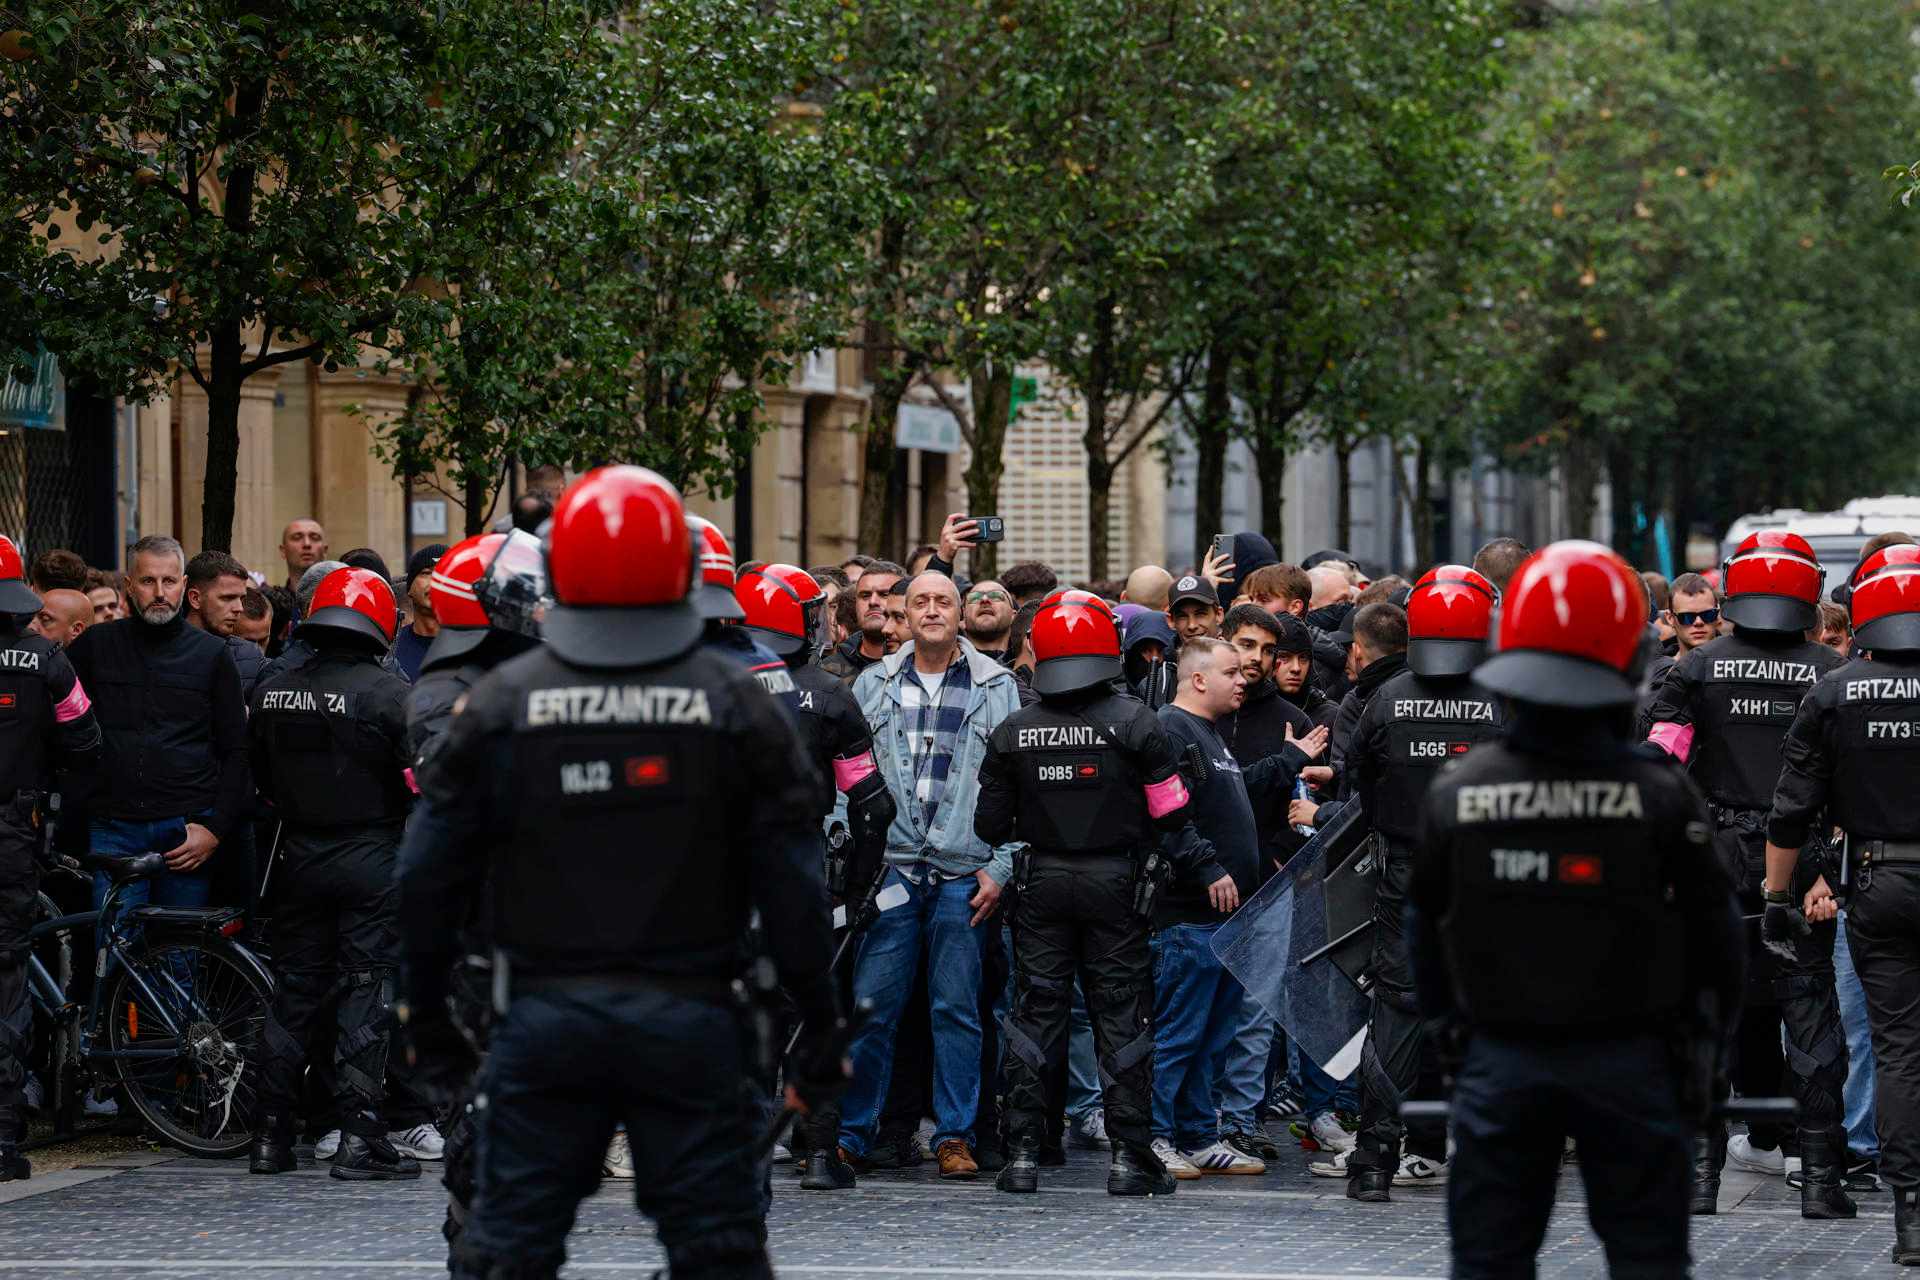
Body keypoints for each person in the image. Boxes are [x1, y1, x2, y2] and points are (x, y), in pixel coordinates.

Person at [396, 466, 841, 1280]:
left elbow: (426, 880)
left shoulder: (499, 705)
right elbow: (793, 886)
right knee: (717, 1253)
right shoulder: (737, 702)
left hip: (541, 1019)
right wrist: (817, 1020)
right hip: (692, 1021)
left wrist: (427, 1020)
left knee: (507, 1250)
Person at [1410, 540, 1743, 1280]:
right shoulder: (1660, 794)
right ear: (1629, 661)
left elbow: (1422, 934)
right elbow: (1717, 936)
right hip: (1633, 1059)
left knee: (1490, 1262)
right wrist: (1700, 1055)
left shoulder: (1460, 791)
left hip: (1503, 1057)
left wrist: (1455, 1041)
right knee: (1648, 1260)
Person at [1644, 530, 1849, 1217]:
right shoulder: (1829, 670)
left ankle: (1701, 1180)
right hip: (1805, 861)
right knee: (1812, 1019)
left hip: (1712, 860)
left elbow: (1660, 766)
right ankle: (1820, 1181)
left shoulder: (1696, 670)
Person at [975, 591, 1197, 1197]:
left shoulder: (1013, 729)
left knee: (1034, 1015)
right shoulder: (1137, 723)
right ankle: (1129, 1157)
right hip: (1118, 884)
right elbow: (1172, 813)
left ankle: (1021, 1154)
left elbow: (989, 827)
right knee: (1121, 1015)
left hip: (1041, 882)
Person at [836, 571, 1023, 1180]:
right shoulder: (872, 684)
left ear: (961, 612)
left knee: (956, 1011)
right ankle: (852, 1132)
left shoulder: (998, 686)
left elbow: (1016, 786)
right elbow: (849, 779)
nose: (934, 611)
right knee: (872, 1008)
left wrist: (1000, 864)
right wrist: (852, 866)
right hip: (891, 870)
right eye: (921, 602)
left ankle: (954, 1135)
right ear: (903, 615)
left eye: (945, 601)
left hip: (963, 872)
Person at [1762, 543, 1920, 1262]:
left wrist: (1775, 894)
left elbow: (1792, 808)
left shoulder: (1835, 692)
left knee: (1897, 1051)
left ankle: (1910, 1219)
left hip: (1881, 886)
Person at [1328, 566, 1505, 1201]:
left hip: (1408, 870)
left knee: (1398, 1012)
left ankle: (1374, 1160)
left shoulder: (1387, 698)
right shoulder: (1507, 698)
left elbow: (1360, 788)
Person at [248, 568, 420, 1182]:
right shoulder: (390, 694)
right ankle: (359, 1136)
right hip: (371, 855)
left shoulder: (272, 684)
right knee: (364, 991)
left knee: (292, 991)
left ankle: (268, 1136)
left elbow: (259, 775)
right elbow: (422, 784)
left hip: (297, 853)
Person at [736, 563, 897, 1191]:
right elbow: (872, 802)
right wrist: (856, 887)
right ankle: (822, 1156)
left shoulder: (705, 689)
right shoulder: (828, 695)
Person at [1152, 637, 1326, 1179]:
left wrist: (1288, 762)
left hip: (1227, 918)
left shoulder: (1211, 736)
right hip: (1189, 915)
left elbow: (1236, 796)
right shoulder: (1171, 730)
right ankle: (1155, 1137)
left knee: (1215, 1035)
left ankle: (1199, 1135)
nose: (1243, 679)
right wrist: (1208, 868)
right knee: (1179, 1032)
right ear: (1199, 679)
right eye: (1232, 671)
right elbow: (1167, 818)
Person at [67, 536, 248, 914]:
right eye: (148, 581)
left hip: (185, 832)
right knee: (115, 956)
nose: (160, 592)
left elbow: (238, 749)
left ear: (183, 585)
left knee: (178, 960)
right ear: (129, 586)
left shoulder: (211, 655)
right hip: (113, 826)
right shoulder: (95, 646)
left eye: (169, 581)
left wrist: (214, 829)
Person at [0, 536, 101, 1181]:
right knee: (6, 975)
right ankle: (4, 1136)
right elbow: (86, 742)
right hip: (13, 835)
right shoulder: (47, 663)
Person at [1214, 604, 1316, 1161]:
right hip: (1202, 882)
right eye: (1246, 645)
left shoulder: (1291, 721)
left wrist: (1277, 856)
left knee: (1256, 1011)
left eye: (1266, 650)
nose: (1255, 659)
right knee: (1201, 1009)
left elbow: (1301, 808)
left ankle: (1241, 1119)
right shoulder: (1197, 708)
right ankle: (1200, 1119)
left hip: (1267, 882)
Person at [184, 551, 266, 700]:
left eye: (241, 598)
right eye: (228, 598)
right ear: (195, 598)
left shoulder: (251, 657)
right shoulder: (162, 650)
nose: (239, 608)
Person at [819, 561, 905, 683]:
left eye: (884, 594)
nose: (873, 602)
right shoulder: (828, 671)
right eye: (865, 596)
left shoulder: (921, 664)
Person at [391, 545, 449, 683]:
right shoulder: (391, 649)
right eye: (426, 573)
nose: (435, 581)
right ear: (409, 588)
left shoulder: (472, 646)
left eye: (444, 573)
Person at [962, 581, 1016, 664]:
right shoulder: (946, 663)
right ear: (964, 615)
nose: (984, 600)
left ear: (1013, 615)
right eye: (974, 598)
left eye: (996, 596)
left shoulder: (1031, 661)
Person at [1168, 574, 1223, 646]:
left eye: (1200, 614)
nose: (1192, 626)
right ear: (1171, 621)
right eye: (1182, 616)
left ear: (1219, 615)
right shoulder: (1163, 656)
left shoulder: (1238, 655)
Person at [279, 519, 329, 595]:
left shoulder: (343, 601)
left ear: (325, 551)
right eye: (297, 538)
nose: (307, 544)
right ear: (283, 551)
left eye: (315, 538)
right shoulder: (271, 604)